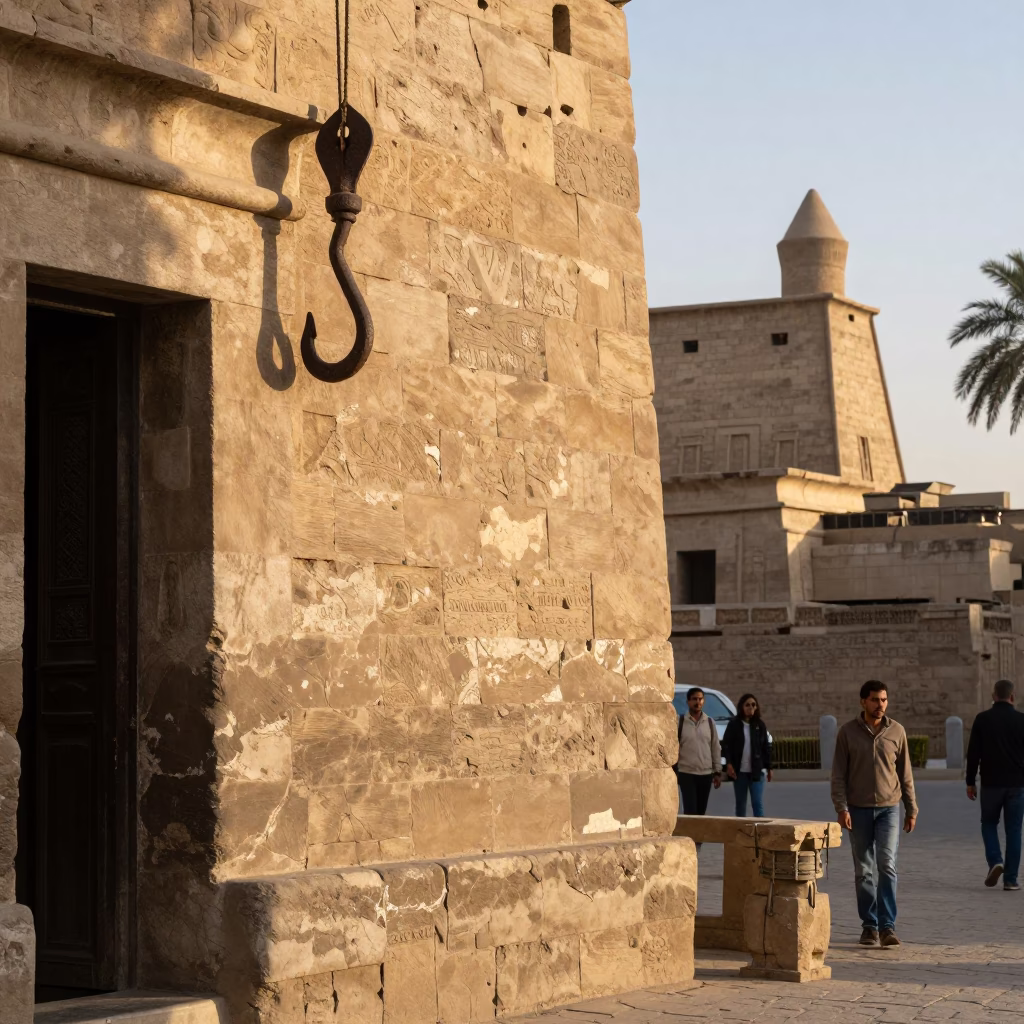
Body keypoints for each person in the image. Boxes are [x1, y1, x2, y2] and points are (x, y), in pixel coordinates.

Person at [831, 680, 917, 948]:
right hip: (857, 810)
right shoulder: (847, 733)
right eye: (874, 700)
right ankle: (869, 926)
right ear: (862, 702)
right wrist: (841, 808)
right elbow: (838, 775)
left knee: (887, 865)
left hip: (889, 809)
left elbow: (905, 774)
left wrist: (911, 809)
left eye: (883, 700)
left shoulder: (897, 732)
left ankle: (887, 926)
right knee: (864, 870)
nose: (880, 705)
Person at [965, 678, 1024, 892]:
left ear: (993, 696)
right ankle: (1011, 880)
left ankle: (995, 861)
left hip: (990, 783)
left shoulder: (982, 719)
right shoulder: (1021, 720)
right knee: (1014, 831)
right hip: (1017, 784)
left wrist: (970, 782)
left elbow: (973, 754)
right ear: (1012, 697)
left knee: (988, 824)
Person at [723, 693, 772, 816]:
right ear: (741, 707)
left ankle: (760, 831)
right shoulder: (734, 724)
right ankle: (741, 832)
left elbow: (766, 747)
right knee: (741, 804)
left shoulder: (759, 725)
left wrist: (769, 767)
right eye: (747, 705)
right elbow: (726, 745)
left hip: (757, 772)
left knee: (757, 803)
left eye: (753, 705)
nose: (751, 707)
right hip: (740, 772)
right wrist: (729, 764)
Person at [675, 686, 722, 815]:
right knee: (690, 811)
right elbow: (674, 747)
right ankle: (689, 835)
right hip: (686, 773)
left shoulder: (710, 723)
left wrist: (717, 771)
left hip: (705, 774)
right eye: (694, 699)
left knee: (701, 812)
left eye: (700, 699)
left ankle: (698, 836)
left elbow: (715, 748)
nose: (698, 702)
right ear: (688, 702)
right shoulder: (680, 722)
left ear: (704, 701)